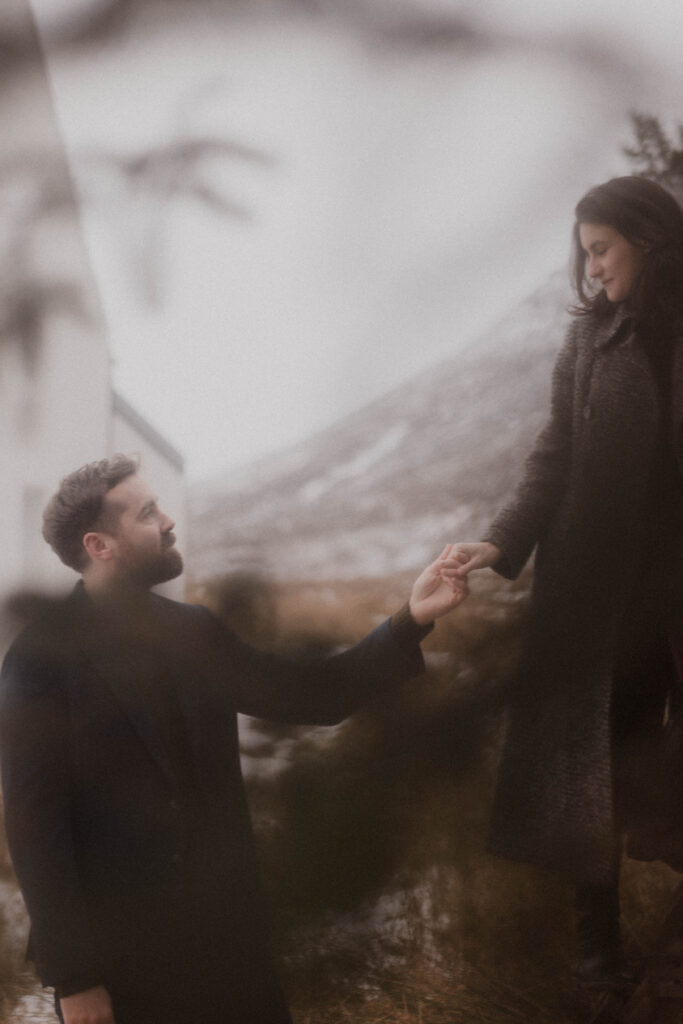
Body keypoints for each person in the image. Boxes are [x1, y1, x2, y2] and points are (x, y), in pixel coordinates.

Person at [0, 454, 469, 1024]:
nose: (168, 521)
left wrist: (410, 619)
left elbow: (310, 695)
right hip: (126, 969)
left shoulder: (192, 631)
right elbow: (36, 829)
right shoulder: (38, 662)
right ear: (100, 545)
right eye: (148, 513)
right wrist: (76, 979)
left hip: (233, 949)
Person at [441, 176, 683, 995]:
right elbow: (555, 450)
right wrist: (501, 538)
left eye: (602, 251)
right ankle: (597, 956)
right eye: (585, 256)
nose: (592, 272)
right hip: (599, 601)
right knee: (597, 767)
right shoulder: (591, 339)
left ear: (647, 240)